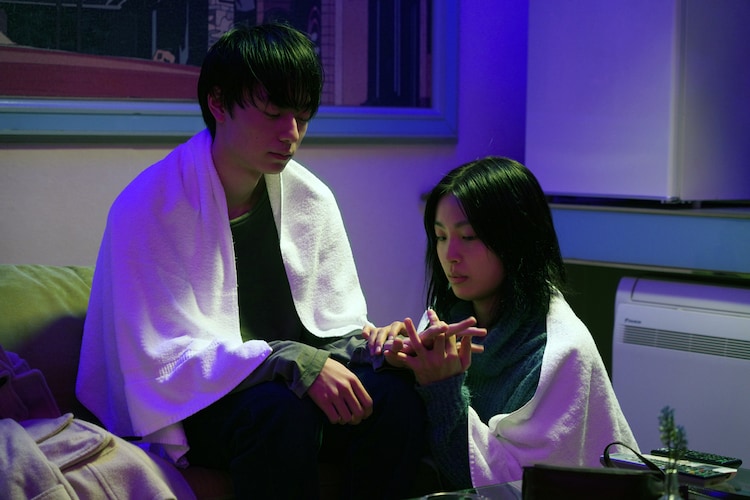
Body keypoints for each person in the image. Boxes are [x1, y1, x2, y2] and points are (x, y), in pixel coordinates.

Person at [76, 23, 426, 499]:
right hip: (198, 403)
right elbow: (161, 360)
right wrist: (288, 361)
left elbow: (332, 326)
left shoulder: (311, 199)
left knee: (394, 398)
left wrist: (377, 345)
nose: (291, 134)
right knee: (279, 411)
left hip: (290, 386)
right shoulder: (147, 207)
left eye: (302, 116)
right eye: (274, 113)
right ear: (219, 103)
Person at [363, 156, 639, 491]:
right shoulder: (448, 315)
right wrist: (393, 357)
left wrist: (443, 387)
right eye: (440, 236)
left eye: (468, 236)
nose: (450, 254)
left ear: (514, 238)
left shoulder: (561, 352)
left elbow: (508, 487)